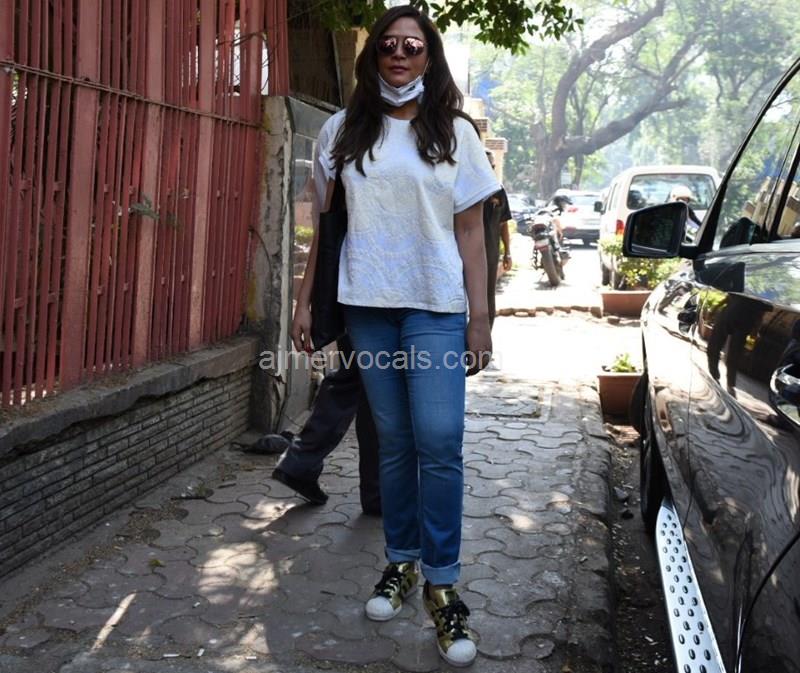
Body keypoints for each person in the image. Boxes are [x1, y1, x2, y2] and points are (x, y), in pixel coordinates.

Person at [291, 5, 499, 666]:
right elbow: (326, 229)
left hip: (436, 306)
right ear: (373, 55)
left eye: (413, 46)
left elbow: (472, 231)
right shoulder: (342, 130)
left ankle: (443, 582)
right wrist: (304, 302)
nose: (400, 55)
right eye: (389, 45)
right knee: (394, 442)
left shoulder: (454, 133)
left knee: (439, 439)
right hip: (367, 307)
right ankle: (402, 562)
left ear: (429, 56)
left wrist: (480, 317)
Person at [260, 333, 381, 515]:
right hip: (379, 319)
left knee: (355, 380)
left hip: (356, 319)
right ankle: (375, 493)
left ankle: (300, 461)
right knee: (369, 384)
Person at [483, 151, 513, 327]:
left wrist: (507, 252)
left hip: (490, 253)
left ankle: (486, 336)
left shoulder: (498, 192)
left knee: (488, 296)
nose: (490, 169)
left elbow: (503, 224)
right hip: (464, 253)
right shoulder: (465, 190)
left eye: (492, 166)